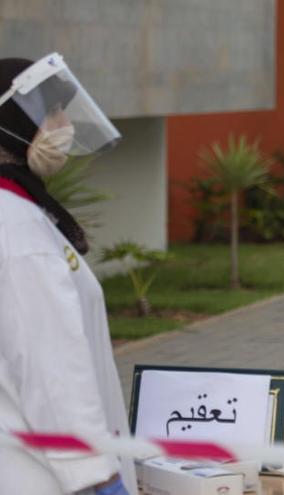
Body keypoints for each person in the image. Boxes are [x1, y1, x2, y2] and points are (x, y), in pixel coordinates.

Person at [0, 54, 134, 494]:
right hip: (42, 476)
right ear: (12, 125)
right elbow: (51, 368)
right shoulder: (17, 229)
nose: (63, 123)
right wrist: (96, 476)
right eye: (50, 111)